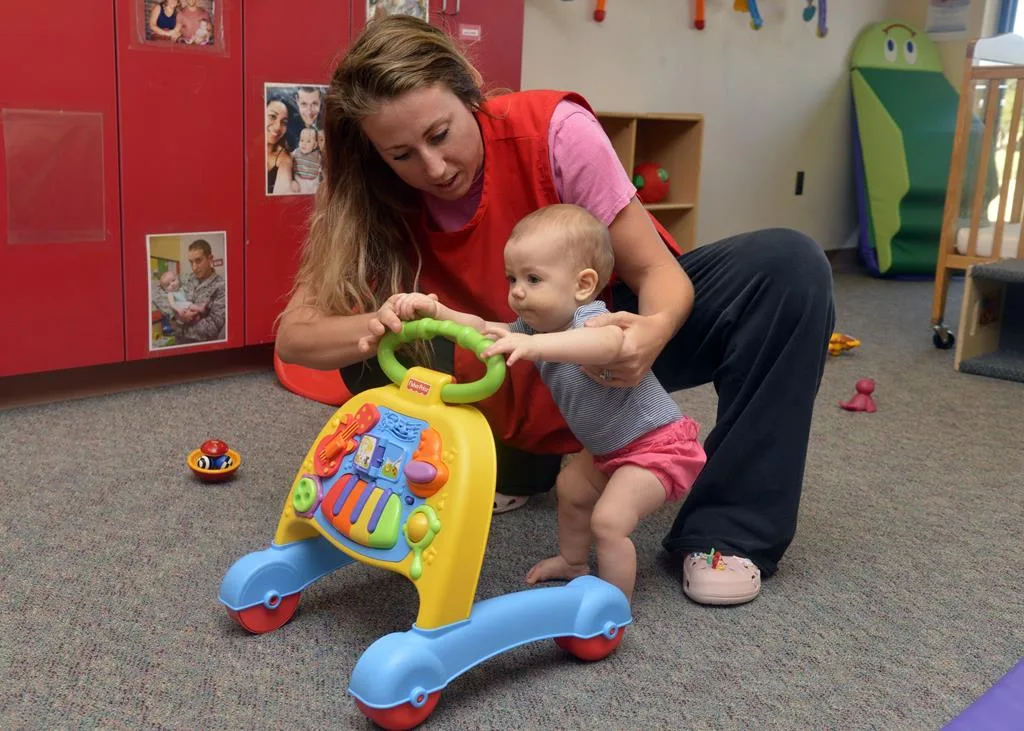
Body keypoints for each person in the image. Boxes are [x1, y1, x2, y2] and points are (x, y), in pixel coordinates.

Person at [275, 15, 836, 606]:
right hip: (505, 366)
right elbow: (295, 337)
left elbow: (657, 274)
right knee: (370, 347)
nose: (434, 168)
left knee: (789, 267)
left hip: (601, 350)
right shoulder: (367, 190)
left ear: (470, 93)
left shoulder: (556, 132)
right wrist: (378, 323)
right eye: (402, 154)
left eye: (441, 135)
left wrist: (650, 333)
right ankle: (514, 460)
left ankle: (726, 531)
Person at [377, 204, 708, 602]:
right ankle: (573, 561)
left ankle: (613, 605)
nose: (517, 291)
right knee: (571, 488)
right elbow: (484, 329)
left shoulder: (592, 319)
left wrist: (535, 346)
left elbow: (608, 344)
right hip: (606, 449)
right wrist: (439, 310)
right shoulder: (534, 328)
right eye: (512, 278)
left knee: (608, 521)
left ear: (583, 285)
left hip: (655, 445)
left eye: (533, 279)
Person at [176, 238, 226, 344]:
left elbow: (214, 326)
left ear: (210, 259)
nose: (194, 268)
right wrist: (176, 316)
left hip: (201, 346)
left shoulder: (221, 286)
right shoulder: (187, 278)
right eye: (191, 262)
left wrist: (182, 324)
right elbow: (162, 289)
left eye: (198, 261)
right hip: (178, 342)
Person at [291, 127, 323, 194]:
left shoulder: (318, 155)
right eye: (302, 140)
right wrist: (292, 180)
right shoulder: (296, 152)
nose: (304, 144)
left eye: (308, 141)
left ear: (315, 145)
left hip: (313, 183)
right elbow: (289, 161)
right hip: (298, 180)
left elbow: (321, 168)